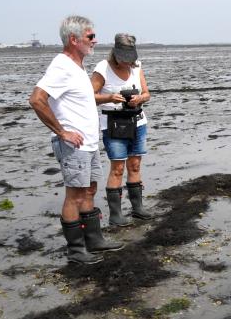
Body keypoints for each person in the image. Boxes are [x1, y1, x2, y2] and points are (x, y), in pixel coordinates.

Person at [29, 15, 123, 264]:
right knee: (75, 195)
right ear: (73, 39)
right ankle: (75, 250)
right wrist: (62, 132)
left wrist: (110, 98)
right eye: (90, 36)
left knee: (90, 190)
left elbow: (83, 101)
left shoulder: (78, 67)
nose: (95, 40)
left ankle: (94, 240)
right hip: (74, 145)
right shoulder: (61, 66)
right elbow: (37, 99)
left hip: (89, 143)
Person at [91, 33, 154, 226]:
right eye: (123, 59)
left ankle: (137, 208)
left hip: (137, 122)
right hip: (113, 124)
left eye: (130, 59)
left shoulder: (138, 66)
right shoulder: (102, 68)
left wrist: (139, 99)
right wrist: (110, 98)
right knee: (117, 168)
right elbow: (89, 96)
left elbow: (147, 93)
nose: (127, 63)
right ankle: (116, 215)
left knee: (135, 165)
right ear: (115, 53)